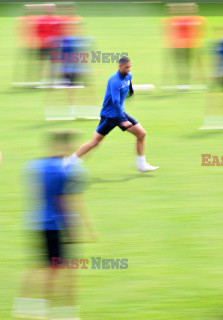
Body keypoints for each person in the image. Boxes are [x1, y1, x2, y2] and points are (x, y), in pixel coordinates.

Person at [13, 130, 97, 319]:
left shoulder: (34, 165)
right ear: (65, 146)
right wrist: (78, 230)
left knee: (42, 267)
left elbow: (37, 193)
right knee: (65, 270)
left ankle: (27, 307)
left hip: (36, 223)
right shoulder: (66, 169)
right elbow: (66, 201)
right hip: (56, 226)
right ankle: (65, 314)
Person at [65, 56, 158, 172]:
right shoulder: (114, 80)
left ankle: (141, 165)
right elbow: (115, 102)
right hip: (109, 116)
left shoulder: (129, 76)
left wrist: (131, 93)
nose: (129, 69)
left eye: (130, 67)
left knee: (141, 134)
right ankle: (69, 161)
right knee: (94, 142)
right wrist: (123, 119)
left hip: (120, 114)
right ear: (119, 67)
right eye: (126, 67)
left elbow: (128, 90)